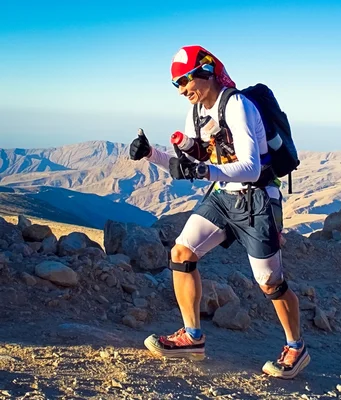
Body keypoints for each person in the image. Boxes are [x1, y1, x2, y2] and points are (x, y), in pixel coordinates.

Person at [128, 45, 309, 379]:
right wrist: (151, 154)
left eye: (184, 81)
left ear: (206, 72)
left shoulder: (238, 106)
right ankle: (192, 337)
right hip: (223, 197)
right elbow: (192, 164)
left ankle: (296, 348)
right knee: (181, 253)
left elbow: (251, 168)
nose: (182, 91)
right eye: (177, 85)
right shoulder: (196, 113)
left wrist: (204, 172)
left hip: (256, 200)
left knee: (270, 282)